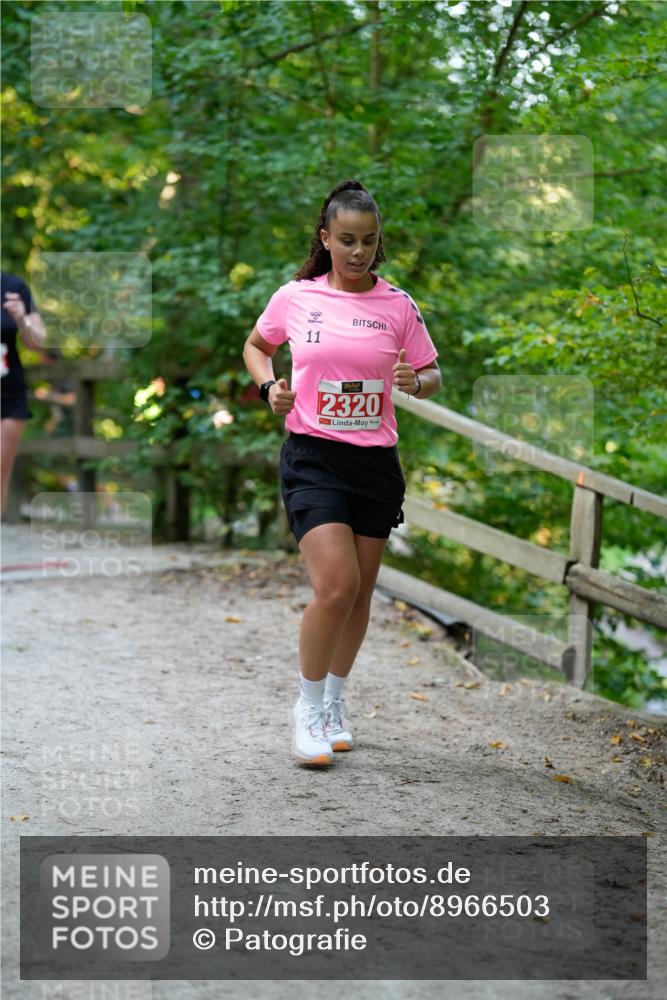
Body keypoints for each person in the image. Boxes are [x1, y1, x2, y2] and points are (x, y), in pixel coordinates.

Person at [242, 179, 442, 767]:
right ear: (326, 238)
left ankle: (333, 701)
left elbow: (432, 375)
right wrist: (268, 388)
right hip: (312, 457)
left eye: (369, 241)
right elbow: (258, 346)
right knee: (335, 587)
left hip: (375, 464)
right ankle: (305, 710)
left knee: (359, 597)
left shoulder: (398, 305)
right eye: (347, 240)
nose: (358, 252)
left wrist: (416, 383)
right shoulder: (296, 296)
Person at [1, 271, 47, 516]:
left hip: (7, 391)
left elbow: (39, 343)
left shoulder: (13, 287)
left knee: (0, 467)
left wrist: (22, 319)